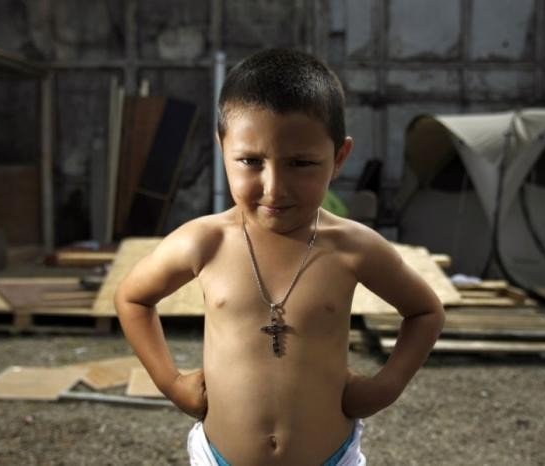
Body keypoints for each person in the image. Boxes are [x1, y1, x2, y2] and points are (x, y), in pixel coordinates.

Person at [115, 48, 445, 466]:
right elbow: (132, 298)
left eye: (301, 163)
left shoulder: (353, 247)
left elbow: (425, 311)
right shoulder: (205, 242)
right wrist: (172, 383)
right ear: (222, 147)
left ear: (339, 158)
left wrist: (386, 386)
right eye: (250, 161)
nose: (274, 187)